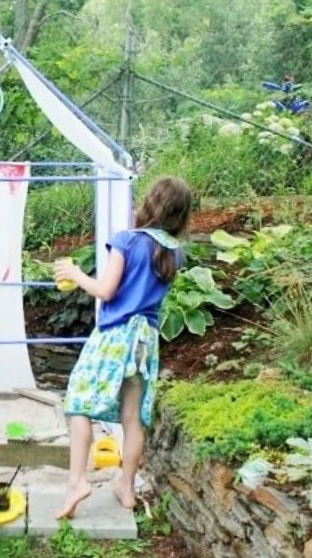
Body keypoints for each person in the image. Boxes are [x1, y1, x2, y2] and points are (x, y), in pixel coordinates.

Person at [53, 177, 193, 519]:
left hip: (115, 338)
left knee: (78, 405)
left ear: (150, 204)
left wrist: (74, 272)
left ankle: (76, 483)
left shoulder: (127, 241)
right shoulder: (175, 252)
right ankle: (126, 486)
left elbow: (106, 291)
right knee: (133, 418)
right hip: (145, 341)